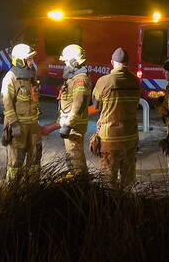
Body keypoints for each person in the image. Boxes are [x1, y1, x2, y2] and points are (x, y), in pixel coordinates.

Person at [91, 47, 142, 188]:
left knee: (108, 181)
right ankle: (128, 207)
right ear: (127, 63)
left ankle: (110, 207)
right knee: (129, 180)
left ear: (112, 62)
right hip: (131, 137)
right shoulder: (135, 81)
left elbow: (96, 104)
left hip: (109, 139)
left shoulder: (104, 81)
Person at [0, 43, 42, 181]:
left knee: (35, 158)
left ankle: (33, 188)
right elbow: (6, 103)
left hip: (33, 126)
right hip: (19, 127)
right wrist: (14, 124)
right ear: (20, 60)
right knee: (16, 161)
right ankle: (12, 190)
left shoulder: (31, 76)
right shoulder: (10, 78)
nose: (32, 62)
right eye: (29, 59)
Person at [57, 44, 91, 176]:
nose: (65, 64)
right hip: (72, 125)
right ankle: (77, 181)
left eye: (66, 61)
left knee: (75, 157)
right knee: (72, 156)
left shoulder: (80, 80)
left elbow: (79, 104)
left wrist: (68, 124)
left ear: (73, 61)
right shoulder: (74, 78)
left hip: (74, 126)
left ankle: (80, 184)